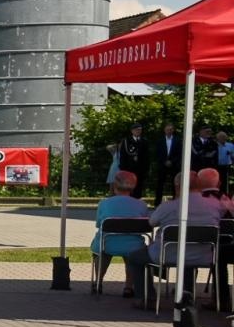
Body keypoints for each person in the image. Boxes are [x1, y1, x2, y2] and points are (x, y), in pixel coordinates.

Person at [124, 169, 225, 301]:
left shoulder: (168, 207)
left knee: (135, 257)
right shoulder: (215, 206)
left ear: (177, 187)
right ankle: (186, 293)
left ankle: (145, 298)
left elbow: (152, 222)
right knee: (188, 255)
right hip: (202, 255)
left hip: (167, 254)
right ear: (200, 186)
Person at [89, 170, 148, 292]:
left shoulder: (104, 203)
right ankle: (128, 286)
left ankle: (98, 281)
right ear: (133, 187)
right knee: (131, 254)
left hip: (108, 243)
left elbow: (99, 224)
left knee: (101, 251)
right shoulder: (141, 205)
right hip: (133, 245)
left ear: (114, 186)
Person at [152, 122, 177, 204]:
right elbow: (157, 153)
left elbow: (179, 153)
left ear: (173, 130)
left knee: (175, 184)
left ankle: (176, 201)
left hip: (174, 165)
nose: (169, 131)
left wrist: (172, 161)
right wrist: (164, 161)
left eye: (170, 129)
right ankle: (157, 202)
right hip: (162, 165)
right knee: (160, 184)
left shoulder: (178, 140)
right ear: (164, 130)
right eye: (167, 130)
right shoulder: (160, 141)